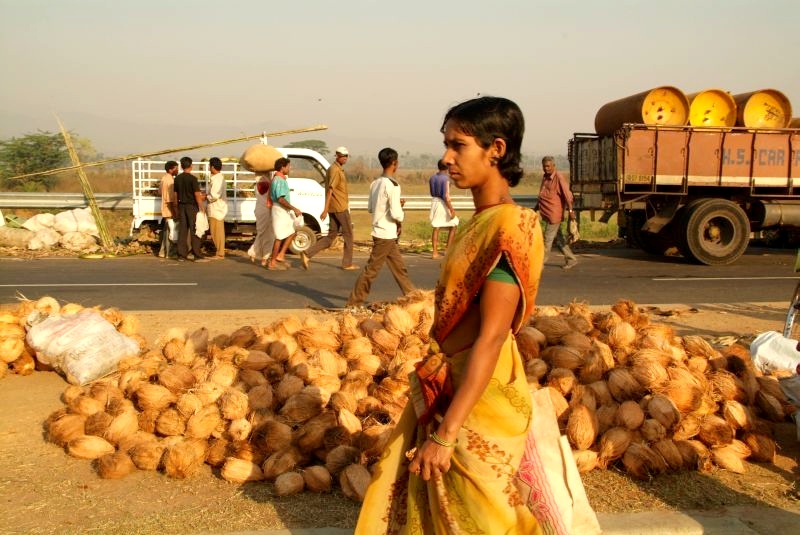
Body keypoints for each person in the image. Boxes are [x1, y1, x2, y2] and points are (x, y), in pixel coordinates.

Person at [354, 97, 545, 534]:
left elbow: (492, 337)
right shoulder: (476, 223)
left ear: (496, 149)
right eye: (446, 144)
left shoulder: (510, 227)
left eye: (458, 145)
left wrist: (446, 433)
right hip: (454, 385)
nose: (445, 157)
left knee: (484, 520)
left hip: (483, 398)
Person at [345, 148, 415, 307]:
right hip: (386, 234)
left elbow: (371, 208)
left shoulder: (375, 183)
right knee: (371, 271)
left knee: (400, 268)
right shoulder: (393, 185)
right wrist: (399, 207)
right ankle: (353, 303)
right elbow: (397, 214)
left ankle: (413, 297)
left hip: (382, 232)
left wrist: (394, 205)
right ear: (394, 163)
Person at [300, 146, 358, 271]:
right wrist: (325, 209)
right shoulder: (335, 170)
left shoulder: (336, 169)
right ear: (337, 155)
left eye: (346, 156)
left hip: (335, 207)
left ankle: (307, 253)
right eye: (343, 156)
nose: (345, 158)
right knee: (349, 235)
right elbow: (330, 190)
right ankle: (347, 263)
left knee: (331, 236)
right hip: (339, 207)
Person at [537, 156, 578, 269]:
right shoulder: (545, 178)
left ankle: (540, 263)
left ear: (554, 166)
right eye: (544, 166)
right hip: (547, 214)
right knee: (559, 239)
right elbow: (542, 195)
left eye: (548, 166)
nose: (546, 168)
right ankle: (571, 259)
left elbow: (568, 195)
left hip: (554, 214)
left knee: (547, 239)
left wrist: (570, 210)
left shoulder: (558, 178)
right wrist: (536, 207)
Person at [268, 157, 302, 270]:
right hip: (280, 210)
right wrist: (294, 208)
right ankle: (272, 262)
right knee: (280, 236)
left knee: (292, 231)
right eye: (288, 166)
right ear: (283, 167)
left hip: (282, 210)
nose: (289, 168)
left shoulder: (279, 179)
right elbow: (281, 199)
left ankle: (281, 255)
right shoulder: (279, 180)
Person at [173, 156, 209, 262]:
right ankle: (196, 254)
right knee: (195, 230)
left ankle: (181, 255)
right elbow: (197, 195)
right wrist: (201, 207)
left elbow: (175, 195)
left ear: (181, 166)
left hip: (181, 205)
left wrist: (176, 208)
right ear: (191, 166)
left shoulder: (177, 179)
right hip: (191, 206)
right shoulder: (193, 179)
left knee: (182, 231)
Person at [428, 159, 458, 259]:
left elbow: (432, 193)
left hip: (434, 202)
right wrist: (451, 209)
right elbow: (446, 196)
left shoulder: (432, 178)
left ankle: (435, 252)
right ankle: (447, 250)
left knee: (436, 227)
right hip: (443, 203)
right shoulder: (446, 179)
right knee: (454, 224)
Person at [249, 172, 274, 266]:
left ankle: (255, 254)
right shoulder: (268, 184)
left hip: (259, 210)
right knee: (269, 235)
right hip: (267, 211)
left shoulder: (257, 184)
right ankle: (264, 257)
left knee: (262, 233)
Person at [206, 157, 228, 259]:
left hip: (216, 209)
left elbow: (214, 195)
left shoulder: (218, 179)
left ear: (213, 167)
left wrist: (205, 197)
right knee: (215, 231)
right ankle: (219, 252)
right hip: (216, 209)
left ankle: (220, 253)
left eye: (210, 166)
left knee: (217, 232)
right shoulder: (217, 178)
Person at [158, 160, 179, 258]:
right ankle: (170, 253)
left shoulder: (163, 178)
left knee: (167, 231)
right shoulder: (170, 181)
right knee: (172, 232)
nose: (177, 170)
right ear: (171, 169)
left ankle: (162, 252)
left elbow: (159, 192)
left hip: (165, 208)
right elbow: (170, 199)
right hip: (169, 209)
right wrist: (175, 212)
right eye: (176, 168)